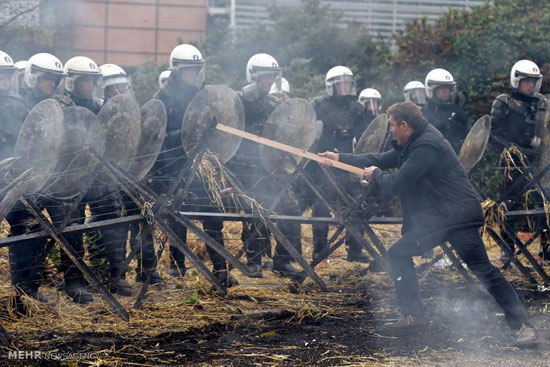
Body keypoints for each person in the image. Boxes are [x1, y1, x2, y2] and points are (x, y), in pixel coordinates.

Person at [319, 101, 537, 348]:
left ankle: (523, 326)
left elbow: (397, 182)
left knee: (482, 269)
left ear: (404, 125)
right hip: (440, 218)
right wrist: (339, 157)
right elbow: (380, 157)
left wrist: (375, 175)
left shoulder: (426, 146)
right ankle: (414, 315)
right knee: (399, 253)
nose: (390, 130)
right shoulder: (413, 142)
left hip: (457, 216)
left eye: (392, 125)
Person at [150, 44, 235, 287]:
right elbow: (156, 138)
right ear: (176, 70)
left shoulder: (203, 95)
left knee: (213, 216)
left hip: (201, 166)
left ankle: (220, 269)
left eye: (196, 70)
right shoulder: (161, 99)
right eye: (188, 70)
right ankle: (178, 270)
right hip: (173, 167)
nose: (193, 75)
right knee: (178, 218)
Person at [228, 53, 303, 278]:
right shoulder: (239, 101)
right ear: (254, 77)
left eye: (272, 77)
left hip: (272, 166)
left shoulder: (272, 103)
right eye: (265, 77)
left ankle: (282, 260)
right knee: (255, 212)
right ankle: (254, 260)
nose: (269, 81)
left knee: (291, 210)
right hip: (247, 167)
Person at [309, 66, 370, 263]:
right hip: (323, 166)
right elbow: (308, 132)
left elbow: (365, 137)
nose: (344, 89)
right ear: (331, 87)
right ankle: (320, 250)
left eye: (347, 84)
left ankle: (355, 249)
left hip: (348, 164)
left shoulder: (358, 109)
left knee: (358, 203)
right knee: (321, 206)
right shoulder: (318, 106)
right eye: (340, 85)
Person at [490, 59, 549, 263]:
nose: (531, 86)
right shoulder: (503, 102)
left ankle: (546, 249)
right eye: (526, 81)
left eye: (533, 81)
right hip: (511, 164)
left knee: (544, 204)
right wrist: (512, 150)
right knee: (509, 207)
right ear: (517, 81)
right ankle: (507, 250)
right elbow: (492, 134)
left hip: (537, 163)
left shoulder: (540, 104)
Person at [422, 68, 469, 153]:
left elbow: (470, 137)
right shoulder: (423, 114)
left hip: (458, 161)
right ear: (430, 89)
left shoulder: (457, 112)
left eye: (448, 87)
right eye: (441, 87)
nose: (446, 90)